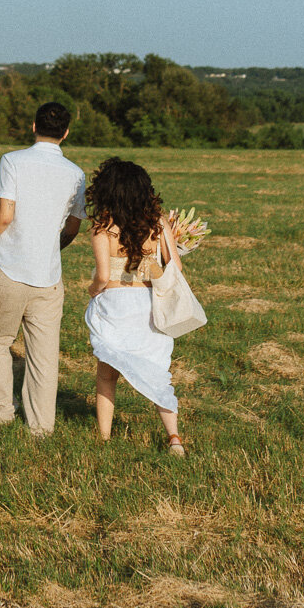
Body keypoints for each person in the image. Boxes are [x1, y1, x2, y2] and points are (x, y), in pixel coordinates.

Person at [0, 101, 86, 436]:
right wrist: (49, 249)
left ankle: (3, 414)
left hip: (8, 269)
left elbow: (5, 216)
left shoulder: (12, 161)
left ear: (33, 127)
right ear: (66, 133)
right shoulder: (76, 174)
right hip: (49, 276)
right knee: (44, 357)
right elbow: (73, 228)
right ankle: (41, 427)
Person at [84, 156, 186, 455]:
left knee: (107, 373)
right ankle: (174, 438)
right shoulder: (158, 223)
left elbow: (104, 276)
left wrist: (92, 291)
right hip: (148, 303)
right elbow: (176, 268)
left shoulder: (103, 227)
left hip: (115, 305)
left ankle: (104, 437)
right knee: (158, 372)